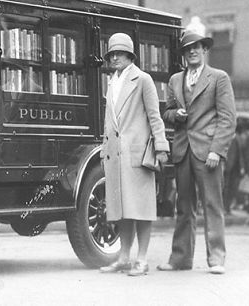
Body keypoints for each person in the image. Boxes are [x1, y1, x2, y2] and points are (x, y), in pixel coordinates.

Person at [158, 30, 236, 275]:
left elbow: (227, 119)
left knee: (213, 205)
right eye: (187, 48)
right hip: (183, 150)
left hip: (208, 152)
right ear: (183, 54)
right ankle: (180, 258)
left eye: (197, 47)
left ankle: (216, 259)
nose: (192, 51)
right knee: (184, 205)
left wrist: (217, 151)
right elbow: (167, 113)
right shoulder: (175, 80)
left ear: (205, 50)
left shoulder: (219, 78)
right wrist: (175, 115)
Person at [99, 33, 170, 277]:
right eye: (112, 54)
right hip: (116, 156)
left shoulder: (143, 79)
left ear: (130, 55)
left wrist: (161, 147)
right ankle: (124, 257)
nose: (115, 57)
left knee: (141, 208)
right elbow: (110, 121)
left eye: (120, 53)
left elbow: (154, 116)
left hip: (138, 155)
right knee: (121, 209)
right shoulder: (112, 81)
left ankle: (142, 259)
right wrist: (103, 148)